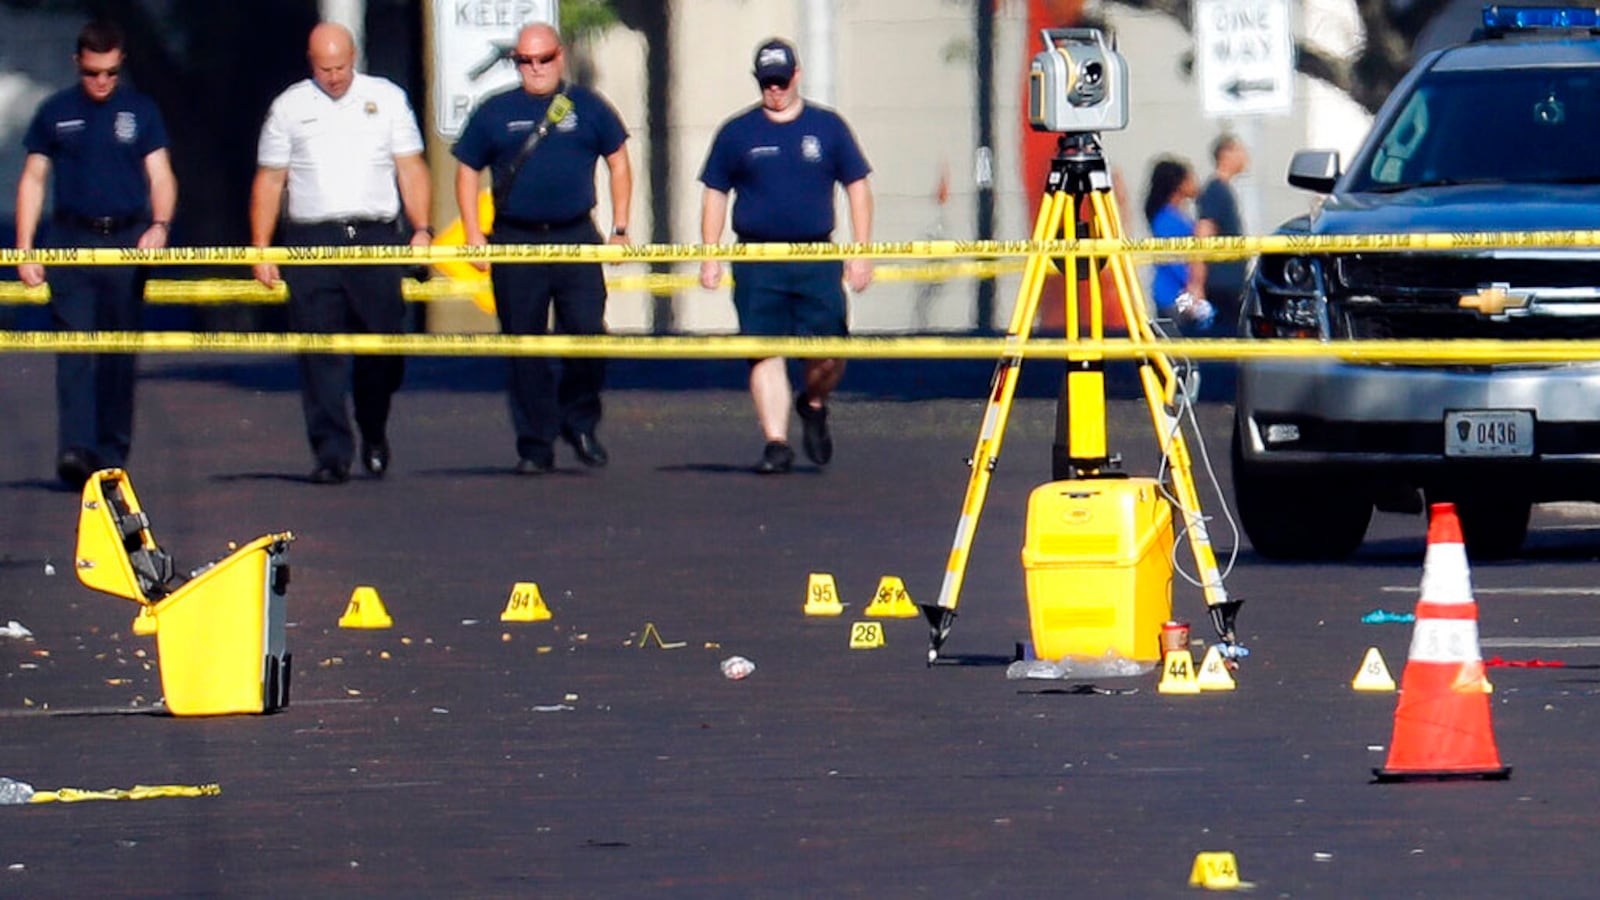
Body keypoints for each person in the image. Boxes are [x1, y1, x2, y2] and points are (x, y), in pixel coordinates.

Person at [250, 22, 432, 485]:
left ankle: (373, 427)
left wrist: (422, 229)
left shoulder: (386, 98)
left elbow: (410, 167)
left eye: (342, 66)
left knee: (385, 343)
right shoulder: (290, 107)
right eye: (325, 68)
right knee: (318, 353)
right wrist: (261, 246)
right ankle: (331, 451)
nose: (334, 76)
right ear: (312, 63)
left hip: (374, 235)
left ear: (355, 57)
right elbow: (270, 180)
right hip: (313, 239)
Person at [452, 22, 632, 476]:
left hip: (575, 234)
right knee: (523, 345)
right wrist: (474, 231)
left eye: (544, 59)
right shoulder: (495, 111)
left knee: (588, 333)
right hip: (516, 238)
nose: (535, 69)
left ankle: (580, 421)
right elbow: (467, 169)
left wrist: (621, 227)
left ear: (560, 57)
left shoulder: (587, 107)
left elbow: (619, 161)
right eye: (525, 61)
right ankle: (535, 442)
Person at [698, 38, 874, 475]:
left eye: (780, 81)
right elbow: (715, 193)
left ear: (796, 76)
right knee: (764, 348)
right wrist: (709, 253)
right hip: (758, 257)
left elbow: (857, 186)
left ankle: (813, 404)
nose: (774, 90)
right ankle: (775, 441)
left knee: (829, 351)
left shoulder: (828, 127)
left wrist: (862, 251)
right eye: (766, 83)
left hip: (815, 254)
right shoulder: (737, 132)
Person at [15, 20, 177, 489]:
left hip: (125, 240)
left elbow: (161, 175)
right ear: (77, 65)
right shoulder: (56, 112)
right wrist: (25, 248)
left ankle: (110, 454)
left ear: (120, 63)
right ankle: (77, 449)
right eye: (92, 73)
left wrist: (159, 225)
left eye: (109, 73)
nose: (101, 83)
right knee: (76, 350)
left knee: (118, 355)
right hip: (71, 240)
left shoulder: (141, 112)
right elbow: (33, 179)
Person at [1142, 156, 1213, 333]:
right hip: (1174, 294)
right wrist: (1194, 283)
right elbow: (1174, 259)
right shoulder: (1166, 219)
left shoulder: (1177, 215)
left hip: (1181, 291)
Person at [1196, 134, 1250, 335]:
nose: (1245, 157)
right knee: (1223, 335)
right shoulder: (1215, 190)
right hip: (1221, 285)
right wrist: (1197, 283)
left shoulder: (1224, 190)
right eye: (1240, 151)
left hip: (1231, 284)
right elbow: (1203, 234)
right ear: (1225, 154)